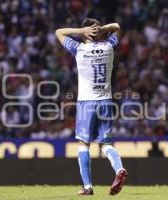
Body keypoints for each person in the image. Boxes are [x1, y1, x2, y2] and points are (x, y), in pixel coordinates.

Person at [55, 18, 128, 195]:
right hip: (105, 101)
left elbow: (59, 32)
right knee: (106, 144)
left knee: (83, 143)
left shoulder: (79, 49)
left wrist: (82, 31)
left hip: (86, 103)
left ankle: (87, 187)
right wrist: (100, 29)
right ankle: (119, 169)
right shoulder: (108, 47)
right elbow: (117, 27)